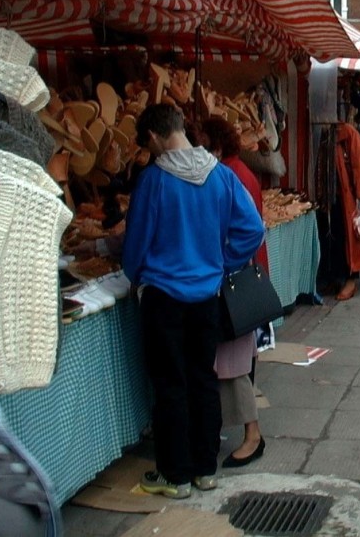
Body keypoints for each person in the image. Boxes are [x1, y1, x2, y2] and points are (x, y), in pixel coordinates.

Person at [123, 104, 265, 498]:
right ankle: (205, 468)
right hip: (207, 295)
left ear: (153, 137)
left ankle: (175, 474)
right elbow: (253, 228)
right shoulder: (219, 175)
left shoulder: (153, 180)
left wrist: (136, 275)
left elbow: (135, 244)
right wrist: (222, 263)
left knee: (171, 384)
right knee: (203, 379)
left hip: (164, 296)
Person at [199, 117, 267, 468]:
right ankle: (240, 432)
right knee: (234, 363)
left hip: (231, 283)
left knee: (234, 364)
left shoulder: (228, 175)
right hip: (234, 278)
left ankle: (252, 435)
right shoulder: (234, 171)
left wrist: (223, 262)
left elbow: (251, 229)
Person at [316, 121, 360, 301]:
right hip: (329, 196)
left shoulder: (347, 133)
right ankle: (336, 277)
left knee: (348, 239)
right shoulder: (324, 132)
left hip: (346, 196)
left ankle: (350, 279)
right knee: (331, 238)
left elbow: (359, 163)